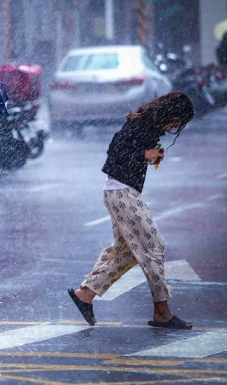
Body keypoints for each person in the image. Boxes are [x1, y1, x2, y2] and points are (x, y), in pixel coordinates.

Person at [68, 91, 195, 330]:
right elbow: (114, 152)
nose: (175, 126)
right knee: (154, 246)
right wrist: (143, 154)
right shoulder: (141, 126)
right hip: (122, 193)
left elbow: (126, 154)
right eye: (177, 120)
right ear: (171, 113)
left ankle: (84, 294)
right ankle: (162, 312)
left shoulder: (147, 127)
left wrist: (150, 156)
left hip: (122, 192)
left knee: (128, 251)